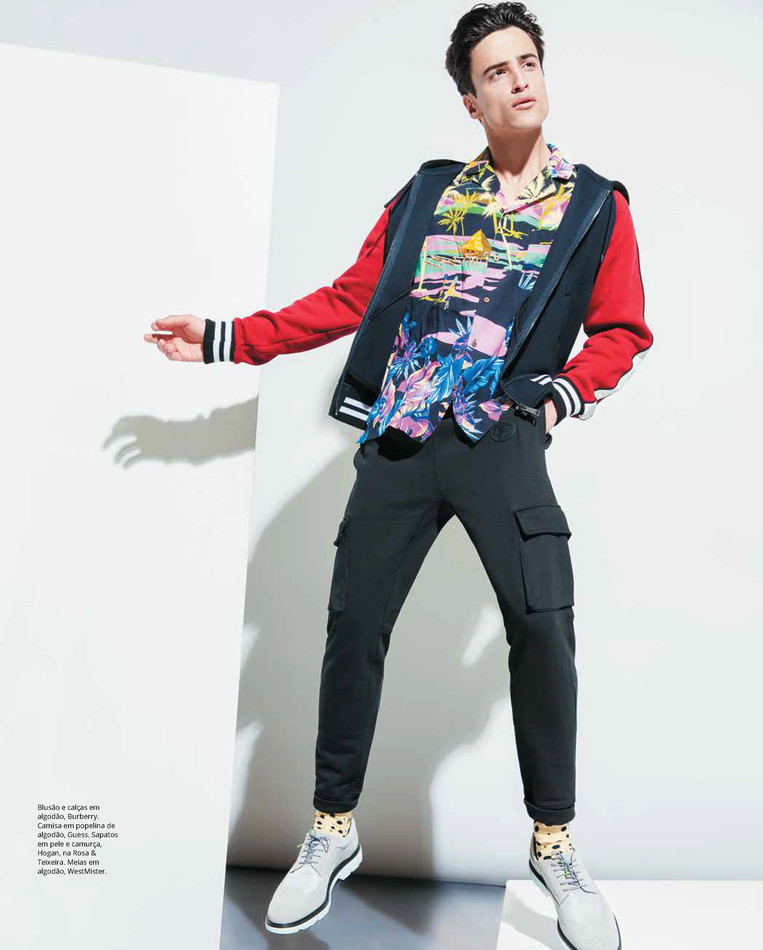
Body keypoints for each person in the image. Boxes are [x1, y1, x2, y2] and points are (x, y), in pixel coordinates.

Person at [145, 3, 651, 946]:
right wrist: (227, 338)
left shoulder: (594, 204)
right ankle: (332, 828)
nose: (519, 80)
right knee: (354, 626)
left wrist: (558, 397)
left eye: (528, 62)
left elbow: (621, 330)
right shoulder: (426, 192)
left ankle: (553, 844)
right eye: (496, 72)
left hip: (501, 438)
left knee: (543, 627)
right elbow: (351, 296)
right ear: (470, 101)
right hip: (401, 437)